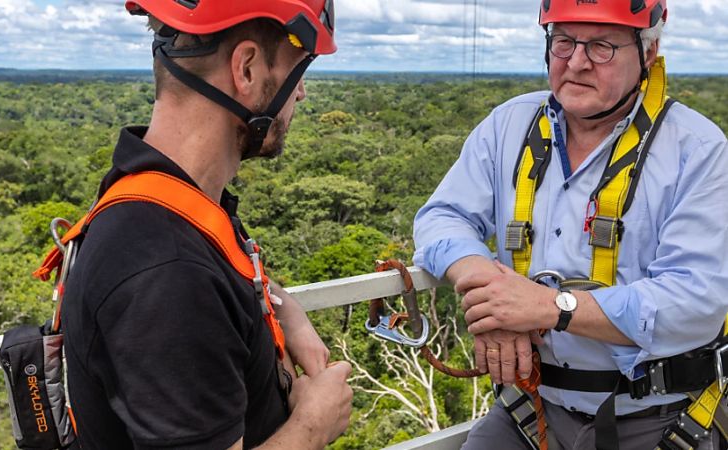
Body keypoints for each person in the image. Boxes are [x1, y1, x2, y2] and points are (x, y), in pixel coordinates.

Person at [413, 0, 728, 449]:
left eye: (601, 46)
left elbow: (695, 301)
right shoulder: (509, 127)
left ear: (649, 52)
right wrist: (493, 292)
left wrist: (549, 308)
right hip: (529, 410)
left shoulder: (697, 150)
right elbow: (441, 217)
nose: (577, 63)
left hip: (656, 419)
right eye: (564, 42)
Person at [59, 1, 353, 449]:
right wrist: (315, 424)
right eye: (299, 68)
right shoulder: (167, 272)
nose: (301, 93)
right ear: (248, 69)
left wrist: (282, 309)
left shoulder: (160, 201)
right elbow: (184, 293)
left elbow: (217, 291)